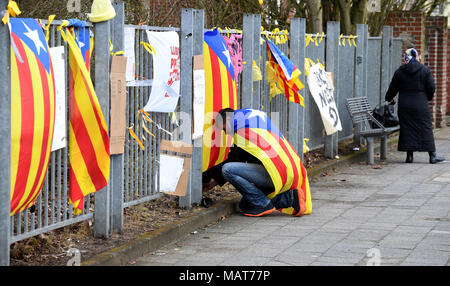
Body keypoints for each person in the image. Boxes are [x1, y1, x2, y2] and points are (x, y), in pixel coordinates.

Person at [202, 108, 311, 217]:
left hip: (275, 174)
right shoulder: (253, 119)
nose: (226, 133)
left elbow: (235, 159)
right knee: (246, 205)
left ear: (229, 119)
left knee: (227, 169)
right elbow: (246, 158)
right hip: (287, 172)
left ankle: (270, 202)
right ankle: (291, 198)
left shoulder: (242, 129)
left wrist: (207, 177)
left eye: (224, 129)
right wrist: (215, 180)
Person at [385, 48, 445, 164]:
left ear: (406, 58)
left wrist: (389, 98)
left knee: (407, 128)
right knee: (426, 127)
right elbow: (431, 87)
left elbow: (392, 89)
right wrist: (428, 97)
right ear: (417, 57)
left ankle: (409, 157)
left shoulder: (400, 72)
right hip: (420, 103)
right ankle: (432, 156)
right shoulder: (425, 70)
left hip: (405, 104)